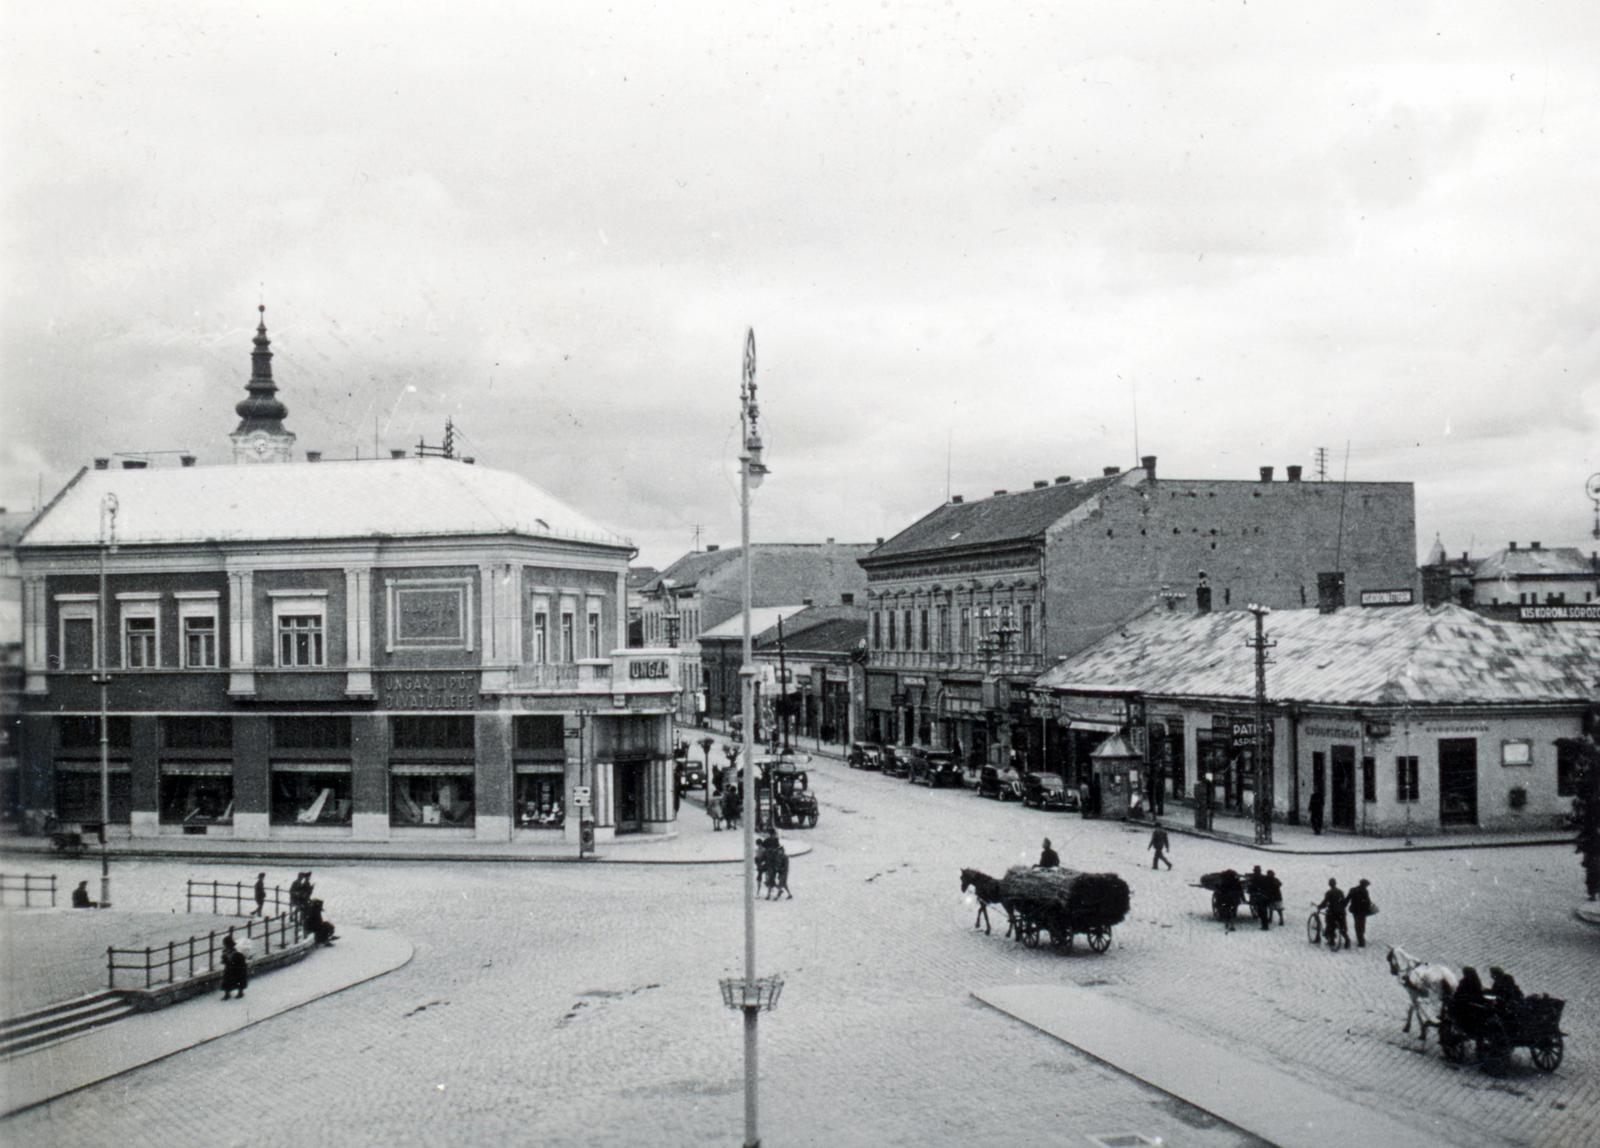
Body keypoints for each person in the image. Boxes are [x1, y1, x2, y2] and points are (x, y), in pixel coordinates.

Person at [1452, 966, 1490, 1034]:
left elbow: (1459, 993)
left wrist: (1458, 998)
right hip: (1475, 1002)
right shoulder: (1476, 980)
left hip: (1468, 1003)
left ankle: (1460, 1027)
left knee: (1456, 1010)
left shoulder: (1464, 982)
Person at [1318, 878, 1350, 949]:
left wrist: (1320, 907)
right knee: (1342, 926)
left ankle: (1332, 940)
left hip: (1332, 912)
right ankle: (1347, 940)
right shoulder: (1340, 891)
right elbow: (1344, 901)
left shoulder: (1329, 893)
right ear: (1335, 883)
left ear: (1329, 884)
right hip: (1341, 912)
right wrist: (1341, 908)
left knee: (1330, 925)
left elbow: (1325, 902)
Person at [1346, 878, 1375, 947]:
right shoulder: (1365, 891)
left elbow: (1347, 899)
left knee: (1357, 925)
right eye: (1366, 885)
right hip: (1362, 911)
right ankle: (1361, 940)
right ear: (1364, 885)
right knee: (1361, 925)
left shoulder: (1353, 890)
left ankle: (1360, 939)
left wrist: (1342, 905)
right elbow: (1367, 901)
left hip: (1355, 911)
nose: (1366, 886)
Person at [220, 936, 248, 1000]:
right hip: (230, 967)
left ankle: (240, 992)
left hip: (237, 967)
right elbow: (224, 960)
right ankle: (227, 993)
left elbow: (238, 961)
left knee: (238, 978)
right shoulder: (226, 952)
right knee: (227, 979)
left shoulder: (236, 953)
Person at [1217, 869, 1244, 933]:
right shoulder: (1236, 881)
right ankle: (1231, 924)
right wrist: (1242, 898)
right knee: (1233, 910)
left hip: (1226, 898)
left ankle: (1228, 922)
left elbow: (1221, 890)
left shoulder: (1224, 882)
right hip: (1235, 898)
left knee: (1227, 910)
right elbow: (1240, 891)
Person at [1247, 865, 1271, 930]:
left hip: (1257, 896)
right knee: (1264, 911)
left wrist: (1250, 891)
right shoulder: (1264, 877)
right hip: (1264, 896)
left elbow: (1251, 886)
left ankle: (1265, 926)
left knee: (1261, 911)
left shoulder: (1253, 878)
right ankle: (1265, 925)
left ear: (1255, 871)